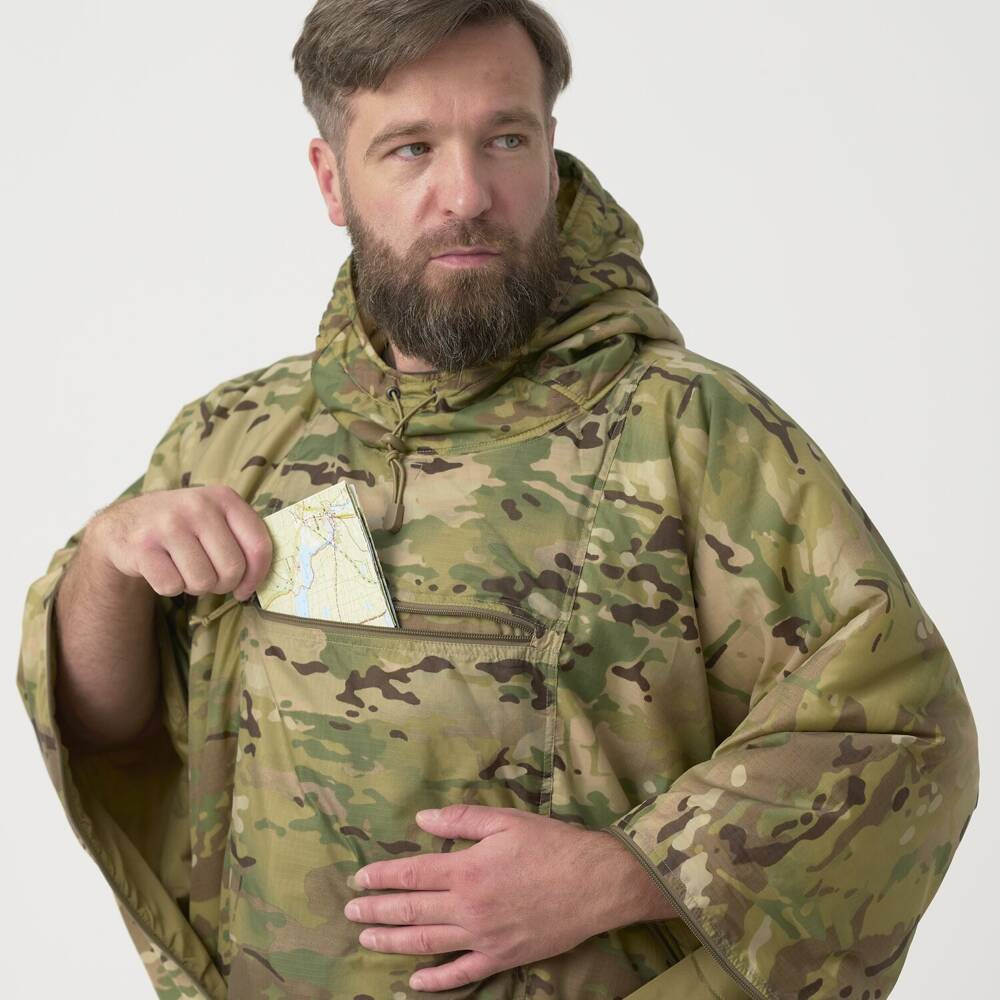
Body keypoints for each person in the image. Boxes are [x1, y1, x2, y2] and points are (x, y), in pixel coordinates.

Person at [16, 1, 979, 998]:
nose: (467, 194)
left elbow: (908, 736)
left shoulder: (693, 434)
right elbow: (111, 735)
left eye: (504, 139)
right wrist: (107, 560)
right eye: (411, 148)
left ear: (551, 152)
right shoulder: (234, 435)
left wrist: (629, 872)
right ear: (330, 179)